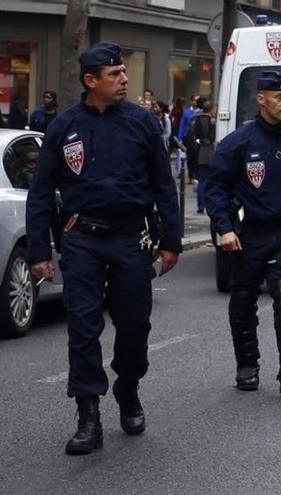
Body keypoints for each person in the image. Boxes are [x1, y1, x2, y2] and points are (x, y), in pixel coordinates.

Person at [25, 42, 182, 455]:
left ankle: (127, 388)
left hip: (132, 238)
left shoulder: (142, 123)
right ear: (90, 81)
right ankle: (88, 416)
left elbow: (165, 186)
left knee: (134, 328)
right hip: (82, 239)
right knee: (83, 327)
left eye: (124, 73)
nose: (125, 79)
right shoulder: (64, 127)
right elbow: (40, 191)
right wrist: (39, 249)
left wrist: (172, 242)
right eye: (115, 74)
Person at [205, 71, 281, 395]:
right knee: (243, 299)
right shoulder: (238, 143)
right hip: (248, 234)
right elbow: (214, 189)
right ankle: (247, 365)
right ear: (261, 99)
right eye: (279, 98)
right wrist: (224, 230)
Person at [185, 100, 216, 213]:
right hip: (210, 151)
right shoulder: (212, 121)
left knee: (201, 180)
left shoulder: (195, 119)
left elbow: (190, 135)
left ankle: (200, 205)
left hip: (198, 152)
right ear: (211, 109)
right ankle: (208, 204)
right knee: (210, 180)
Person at [178, 94, 200, 183]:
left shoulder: (201, 112)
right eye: (195, 100)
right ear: (191, 101)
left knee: (197, 158)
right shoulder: (186, 112)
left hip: (198, 138)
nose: (196, 102)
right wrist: (180, 138)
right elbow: (182, 125)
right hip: (189, 138)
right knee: (190, 157)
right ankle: (191, 176)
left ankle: (197, 175)